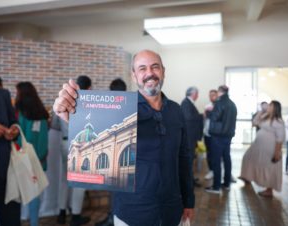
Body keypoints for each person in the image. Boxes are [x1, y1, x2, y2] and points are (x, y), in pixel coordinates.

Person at [53, 50, 195, 226]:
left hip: (172, 211)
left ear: (163, 71)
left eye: (155, 67)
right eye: (142, 68)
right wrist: (66, 111)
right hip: (131, 213)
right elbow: (90, 119)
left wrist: (189, 200)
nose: (149, 73)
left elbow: (184, 158)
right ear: (134, 76)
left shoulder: (176, 110)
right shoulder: (121, 109)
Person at [52, 75, 92, 226]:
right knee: (80, 182)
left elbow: (55, 124)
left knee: (64, 180)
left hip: (64, 143)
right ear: (88, 88)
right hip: (80, 146)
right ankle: (75, 216)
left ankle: (61, 213)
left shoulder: (64, 99)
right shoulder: (88, 103)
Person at [15, 82, 49, 226]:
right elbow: (43, 139)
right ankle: (34, 223)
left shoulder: (20, 114)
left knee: (18, 193)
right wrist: (40, 158)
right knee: (35, 194)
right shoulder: (42, 113)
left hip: (22, 159)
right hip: (39, 160)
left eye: (17, 93)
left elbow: (18, 137)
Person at [95, 78, 127, 226]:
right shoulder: (129, 105)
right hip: (124, 156)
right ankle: (113, 218)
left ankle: (112, 219)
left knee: (113, 191)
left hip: (112, 155)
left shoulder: (109, 106)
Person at [239, 101, 285, 197]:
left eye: (270, 105)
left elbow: (280, 138)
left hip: (270, 148)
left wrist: (277, 152)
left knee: (269, 167)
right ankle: (247, 176)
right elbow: (255, 122)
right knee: (248, 158)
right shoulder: (265, 117)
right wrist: (260, 112)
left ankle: (269, 190)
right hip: (258, 146)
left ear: (275, 108)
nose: (268, 106)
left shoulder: (278, 121)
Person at [0, 87, 21, 226]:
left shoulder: (2, 94)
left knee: (11, 220)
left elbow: (13, 121)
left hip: (5, 171)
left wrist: (14, 130)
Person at [205, 85, 237, 194]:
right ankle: (227, 183)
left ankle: (216, 187)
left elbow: (215, 117)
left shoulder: (219, 103)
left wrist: (209, 113)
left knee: (216, 160)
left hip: (217, 136)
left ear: (220, 92)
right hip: (228, 136)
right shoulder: (233, 104)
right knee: (227, 159)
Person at [180, 87, 203, 187]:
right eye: (197, 94)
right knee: (189, 160)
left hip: (191, 137)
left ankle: (190, 179)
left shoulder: (188, 103)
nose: (198, 96)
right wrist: (202, 116)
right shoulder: (186, 103)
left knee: (191, 159)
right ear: (193, 94)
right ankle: (188, 181)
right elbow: (189, 119)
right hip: (189, 138)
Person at [203, 89, 218, 180]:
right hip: (207, 133)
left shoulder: (220, 106)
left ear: (217, 95)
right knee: (209, 153)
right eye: (210, 95)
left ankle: (220, 171)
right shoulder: (207, 106)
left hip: (216, 134)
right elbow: (205, 119)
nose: (211, 97)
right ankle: (211, 170)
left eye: (213, 95)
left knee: (217, 153)